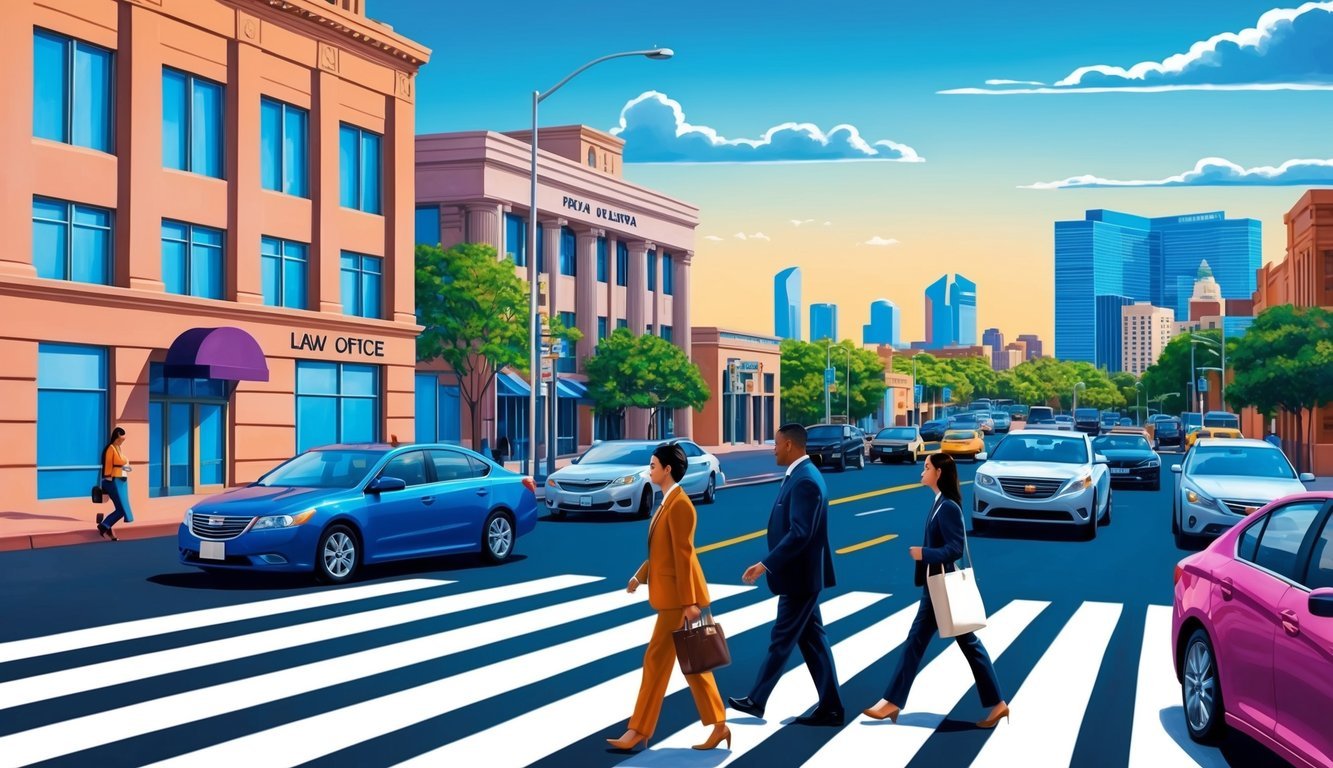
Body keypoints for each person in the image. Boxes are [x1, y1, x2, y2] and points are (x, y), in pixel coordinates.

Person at [862, 453, 1009, 728]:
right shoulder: (939, 503)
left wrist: (923, 553)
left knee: (940, 644)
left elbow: (954, 548)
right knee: (936, 644)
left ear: (939, 473)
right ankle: (997, 703)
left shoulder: (949, 507)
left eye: (927, 467)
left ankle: (892, 702)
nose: (922, 471)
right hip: (935, 585)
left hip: (943, 586)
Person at [607, 443, 729, 752]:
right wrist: (640, 576)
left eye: (652, 465)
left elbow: (683, 555)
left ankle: (638, 730)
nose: (649, 470)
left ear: (667, 469)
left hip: (680, 600)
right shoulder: (666, 503)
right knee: (696, 665)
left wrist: (689, 602)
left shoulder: (680, 505)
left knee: (658, 661)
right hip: (677, 597)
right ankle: (719, 726)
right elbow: (662, 554)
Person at [730, 423, 844, 726]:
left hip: (799, 577)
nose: (773, 449)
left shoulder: (805, 480)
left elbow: (800, 533)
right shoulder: (800, 476)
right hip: (802, 575)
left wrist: (765, 564)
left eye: (777, 444)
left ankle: (757, 700)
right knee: (813, 641)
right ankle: (832, 707)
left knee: (781, 639)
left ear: (791, 445)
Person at [96, 427, 133, 541]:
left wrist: (126, 467)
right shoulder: (111, 448)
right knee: (122, 509)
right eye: (121, 439)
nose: (122, 441)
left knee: (122, 508)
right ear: (117, 436)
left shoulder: (118, 448)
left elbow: (120, 463)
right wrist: (108, 477)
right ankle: (104, 526)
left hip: (121, 480)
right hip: (113, 481)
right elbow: (108, 463)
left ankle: (106, 526)